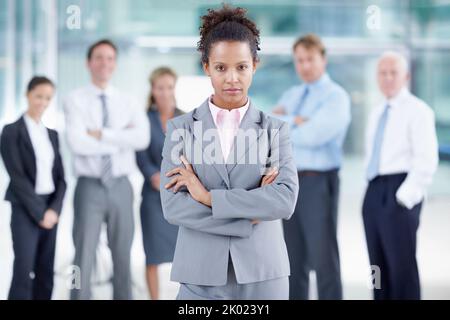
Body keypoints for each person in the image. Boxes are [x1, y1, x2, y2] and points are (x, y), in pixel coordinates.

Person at [159, 5, 299, 300]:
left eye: (242, 67)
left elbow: (284, 200)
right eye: (221, 67)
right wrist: (252, 214)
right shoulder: (181, 130)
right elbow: (174, 206)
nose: (232, 78)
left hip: (264, 275)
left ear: (255, 66)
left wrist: (208, 198)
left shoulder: (275, 130)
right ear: (207, 67)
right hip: (200, 276)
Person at [64, 39, 150, 300]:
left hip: (122, 185)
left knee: (123, 253)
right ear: (89, 63)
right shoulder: (74, 99)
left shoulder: (129, 101)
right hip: (89, 185)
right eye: (99, 57)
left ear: (115, 64)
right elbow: (77, 143)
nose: (105, 63)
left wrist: (100, 134)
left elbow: (142, 139)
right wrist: (120, 138)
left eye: (110, 58)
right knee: (83, 254)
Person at [272, 34, 351, 300]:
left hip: (319, 182)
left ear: (323, 59)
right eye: (299, 60)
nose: (304, 65)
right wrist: (297, 120)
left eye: (310, 59)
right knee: (293, 259)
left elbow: (316, 134)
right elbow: (271, 130)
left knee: (323, 257)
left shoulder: (336, 97)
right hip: (289, 181)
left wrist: (286, 122)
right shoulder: (292, 94)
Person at [363, 51, 438, 300]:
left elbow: (426, 160)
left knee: (402, 268)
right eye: (382, 73)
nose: (387, 78)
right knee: (377, 267)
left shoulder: (418, 111)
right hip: (374, 191)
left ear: (406, 76)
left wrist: (403, 198)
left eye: (393, 72)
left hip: (399, 190)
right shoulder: (376, 113)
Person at [1, 76, 66, 300]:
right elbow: (17, 177)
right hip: (25, 208)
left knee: (45, 272)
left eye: (47, 98)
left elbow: (61, 179)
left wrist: (54, 210)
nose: (43, 102)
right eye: (38, 96)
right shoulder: (11, 132)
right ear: (27, 94)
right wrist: (41, 213)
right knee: (23, 270)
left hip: (50, 208)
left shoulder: (52, 135)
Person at [136, 67, 183, 300]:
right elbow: (140, 155)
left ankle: (187, 298)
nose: (165, 93)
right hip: (153, 198)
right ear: (153, 90)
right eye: (160, 88)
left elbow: (193, 155)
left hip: (181, 196)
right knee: (153, 255)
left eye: (169, 87)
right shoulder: (144, 120)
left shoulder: (187, 119)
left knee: (185, 254)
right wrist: (152, 175)